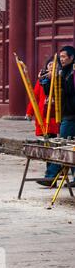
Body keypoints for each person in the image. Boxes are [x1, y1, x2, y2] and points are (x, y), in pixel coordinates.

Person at [26, 58, 60, 186]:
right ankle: (51, 175)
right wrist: (29, 112)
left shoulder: (60, 79)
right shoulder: (42, 80)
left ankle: (52, 175)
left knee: (54, 146)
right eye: (49, 65)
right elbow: (34, 97)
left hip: (55, 117)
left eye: (54, 65)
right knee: (48, 147)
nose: (51, 67)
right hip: (43, 117)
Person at [48, 46, 75, 185]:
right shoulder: (63, 71)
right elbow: (52, 92)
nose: (62, 59)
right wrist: (47, 80)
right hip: (66, 113)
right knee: (72, 146)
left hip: (71, 114)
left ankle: (51, 176)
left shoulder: (72, 72)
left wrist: (60, 80)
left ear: (71, 57)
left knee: (62, 144)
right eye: (61, 57)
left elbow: (70, 91)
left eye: (64, 57)